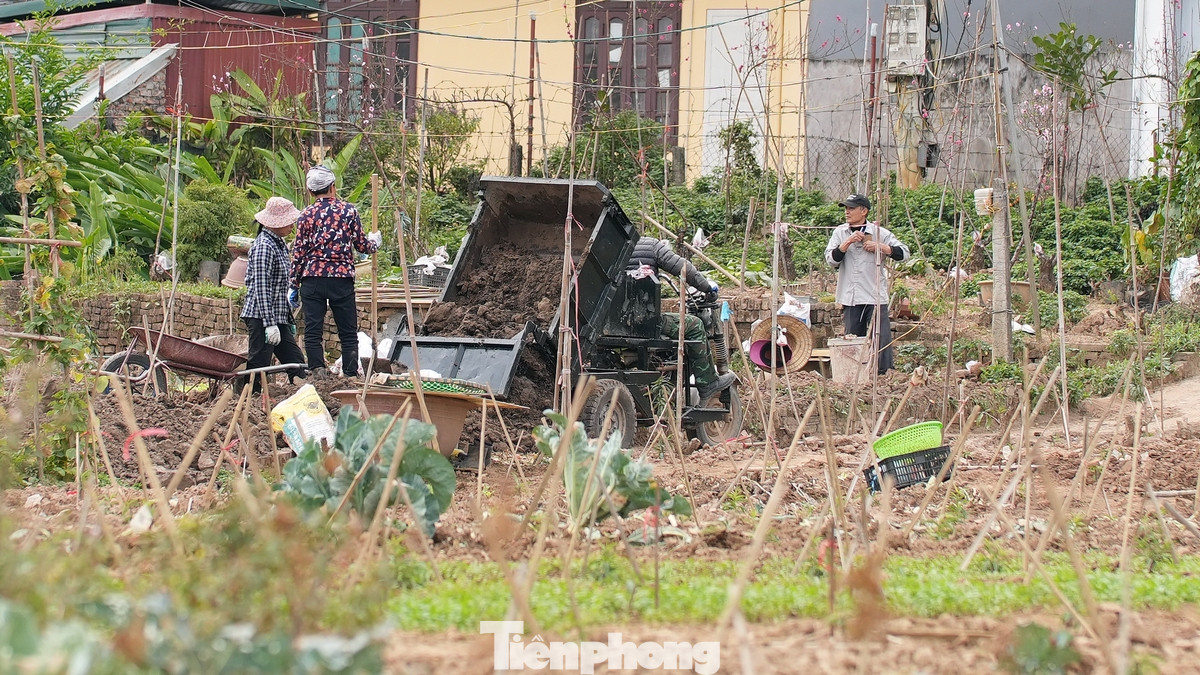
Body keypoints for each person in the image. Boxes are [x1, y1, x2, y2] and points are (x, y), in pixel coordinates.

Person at [290, 165, 382, 378]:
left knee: (313, 331)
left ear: (311, 191)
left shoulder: (305, 215)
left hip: (312, 279)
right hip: (341, 279)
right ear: (333, 186)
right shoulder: (348, 211)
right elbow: (362, 246)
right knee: (348, 332)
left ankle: (318, 371)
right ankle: (350, 374)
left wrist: (293, 284)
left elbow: (299, 252)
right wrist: (374, 242)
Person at [627, 235, 738, 401]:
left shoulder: (607, 244)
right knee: (695, 324)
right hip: (645, 322)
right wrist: (706, 287)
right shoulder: (650, 245)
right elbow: (684, 269)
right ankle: (707, 383)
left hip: (612, 323)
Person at [824, 193, 910, 374]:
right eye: (846, 208)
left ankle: (883, 374)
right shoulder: (840, 233)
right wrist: (846, 243)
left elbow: (904, 253)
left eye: (851, 208)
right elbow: (831, 260)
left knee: (881, 340)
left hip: (874, 295)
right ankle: (855, 375)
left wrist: (881, 247)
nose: (847, 212)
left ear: (864, 211)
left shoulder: (880, 232)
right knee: (853, 340)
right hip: (851, 296)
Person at [240, 196, 307, 392]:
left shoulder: (277, 244)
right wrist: (269, 324)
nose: (292, 225)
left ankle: (302, 395)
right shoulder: (264, 247)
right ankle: (248, 402)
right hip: (261, 317)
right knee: (259, 364)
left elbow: (279, 287)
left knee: (295, 361)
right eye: (288, 221)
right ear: (275, 223)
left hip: (277, 317)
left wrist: (286, 321)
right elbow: (261, 288)